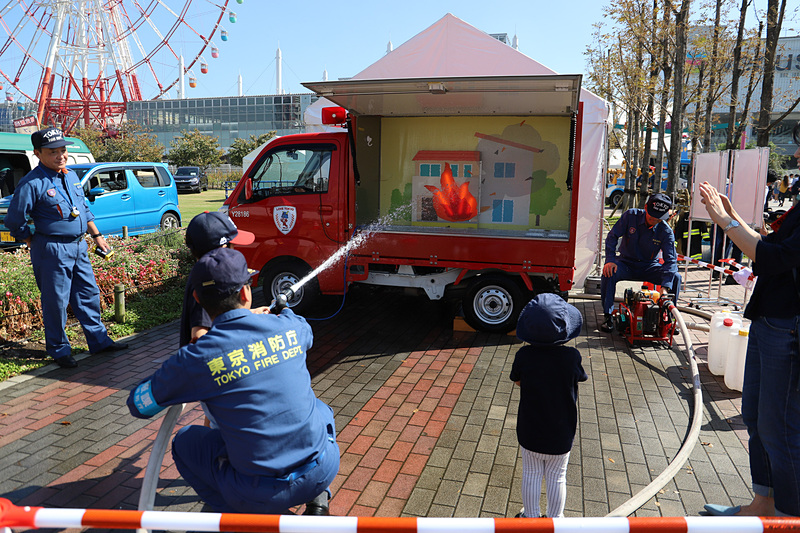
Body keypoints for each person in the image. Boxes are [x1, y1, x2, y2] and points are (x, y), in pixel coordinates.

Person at [127, 247, 339, 516]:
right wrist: (277, 312)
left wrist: (176, 371)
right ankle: (318, 499)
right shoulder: (290, 327)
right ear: (245, 293)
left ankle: (242, 515)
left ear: (197, 298)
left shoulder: (197, 358)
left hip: (259, 491)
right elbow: (304, 331)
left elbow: (139, 406)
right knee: (320, 409)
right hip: (322, 469)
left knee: (185, 441)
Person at [701, 121, 800, 518]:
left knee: (780, 425)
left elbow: (775, 258)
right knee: (756, 416)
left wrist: (726, 223)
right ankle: (764, 503)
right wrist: (733, 217)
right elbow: (772, 244)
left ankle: (789, 516)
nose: (796, 155)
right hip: (769, 319)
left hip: (787, 326)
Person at [4, 127, 127, 368]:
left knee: (88, 294)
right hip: (52, 249)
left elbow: (83, 209)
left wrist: (97, 236)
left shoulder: (70, 176)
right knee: (56, 301)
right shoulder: (32, 183)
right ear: (38, 153)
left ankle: (99, 341)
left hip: (79, 246)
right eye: (53, 152)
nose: (61, 156)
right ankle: (59, 350)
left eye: (63, 150)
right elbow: (14, 220)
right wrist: (31, 241)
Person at [511, 293, 587, 518]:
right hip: (561, 430)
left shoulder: (524, 355)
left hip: (530, 427)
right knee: (557, 476)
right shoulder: (572, 357)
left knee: (531, 474)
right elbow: (579, 378)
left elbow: (518, 381)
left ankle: (530, 517)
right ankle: (555, 519)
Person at [600, 192, 681, 332]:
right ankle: (608, 316)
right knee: (609, 272)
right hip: (625, 263)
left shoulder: (665, 231)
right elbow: (612, 236)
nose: (653, 221)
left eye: (658, 219)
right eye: (651, 217)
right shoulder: (630, 216)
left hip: (649, 266)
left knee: (675, 277)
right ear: (645, 207)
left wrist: (665, 287)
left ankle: (668, 318)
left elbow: (671, 261)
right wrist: (610, 260)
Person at [180, 211, 255, 347]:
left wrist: (252, 313)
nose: (235, 249)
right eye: (233, 246)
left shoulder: (202, 276)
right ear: (223, 248)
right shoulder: (208, 284)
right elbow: (199, 335)